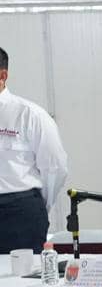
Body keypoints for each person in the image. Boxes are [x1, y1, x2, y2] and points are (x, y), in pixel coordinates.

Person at [0, 46, 68, 253]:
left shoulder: (29, 115)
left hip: (19, 213)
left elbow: (55, 167)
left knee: (21, 280)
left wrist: (36, 202)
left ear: (3, 75)